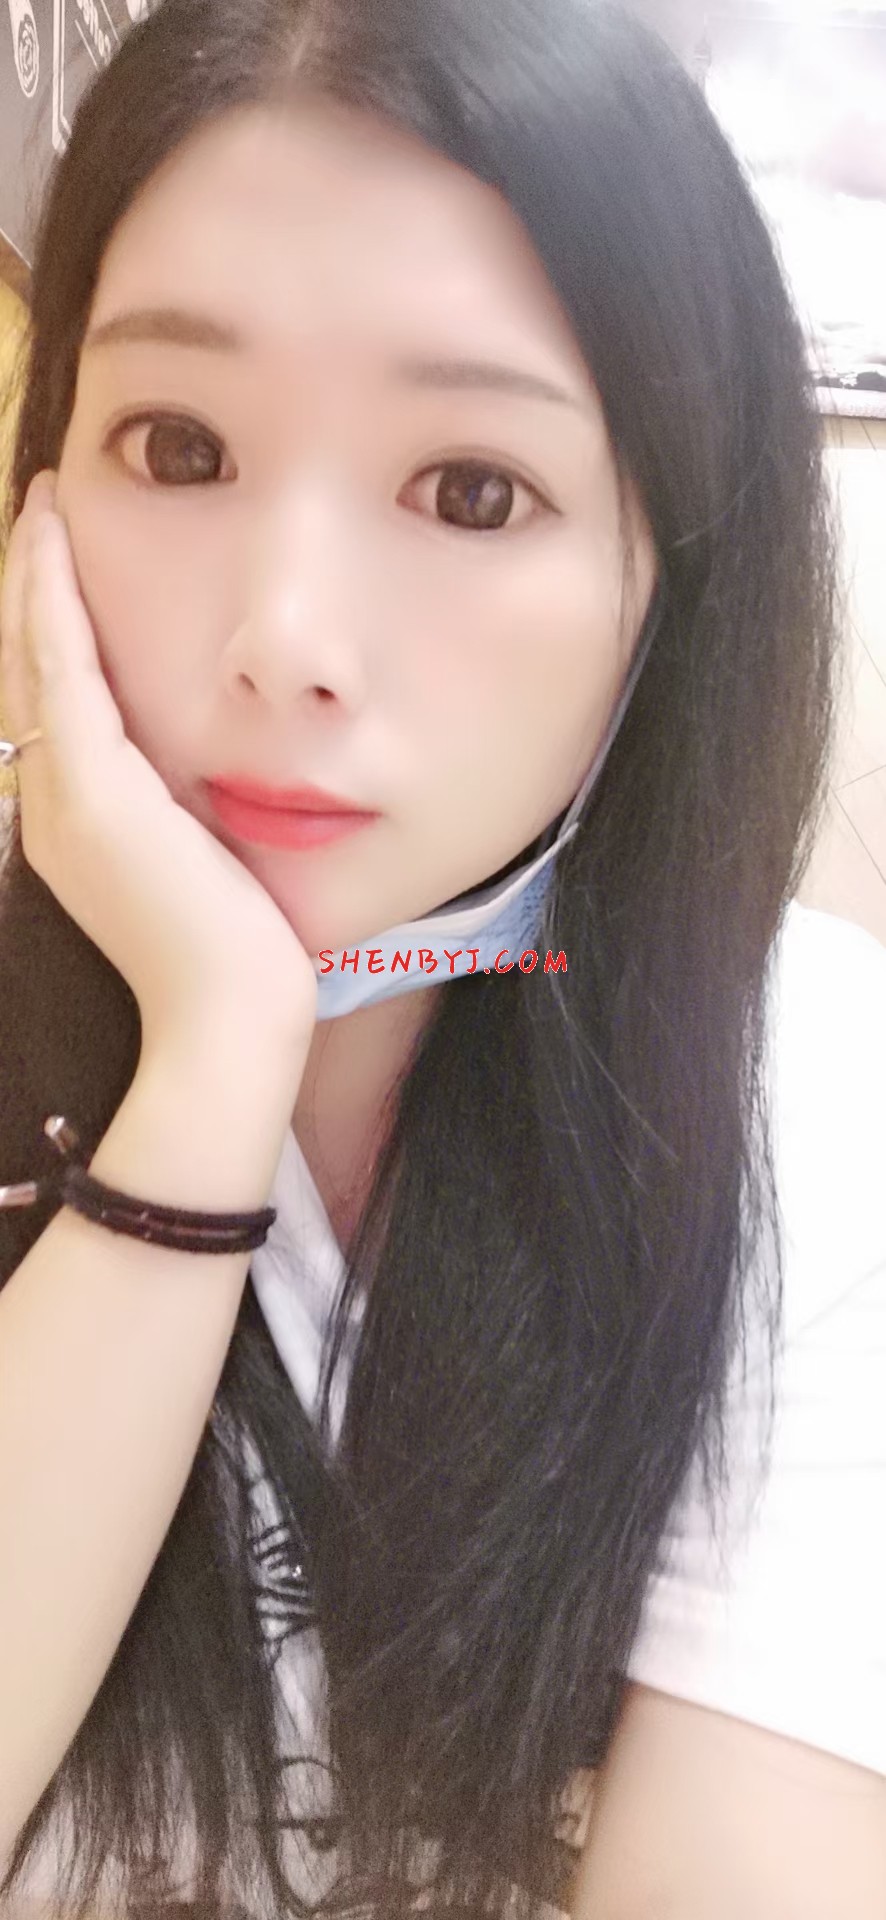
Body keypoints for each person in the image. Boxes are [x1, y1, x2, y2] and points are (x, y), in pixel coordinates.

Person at [0, 1, 884, 1915]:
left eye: (472, 489)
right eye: (177, 445)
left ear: (665, 577)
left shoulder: (815, 1103)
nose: (287, 639)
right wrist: (204, 1083)